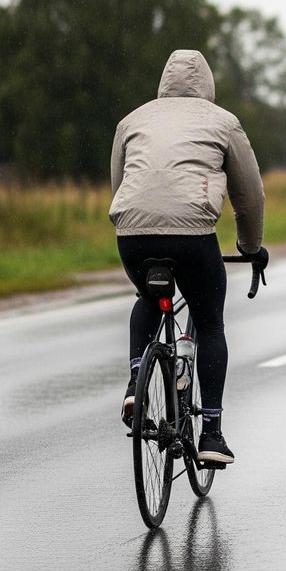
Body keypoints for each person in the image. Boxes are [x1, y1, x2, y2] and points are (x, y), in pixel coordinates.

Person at [110, 49, 267, 465]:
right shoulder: (223, 122)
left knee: (148, 298)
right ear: (207, 85)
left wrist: (134, 224)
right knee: (210, 322)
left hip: (133, 235)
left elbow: (119, 182)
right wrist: (250, 247)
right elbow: (249, 196)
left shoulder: (131, 120)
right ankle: (211, 433)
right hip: (192, 238)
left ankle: (135, 384)